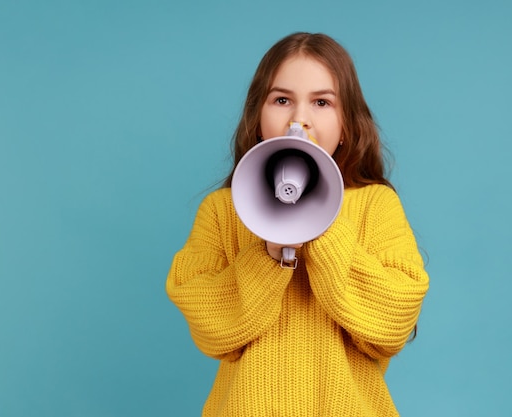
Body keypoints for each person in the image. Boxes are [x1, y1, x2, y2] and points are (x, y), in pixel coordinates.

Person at [166, 32, 429, 416]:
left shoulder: (376, 205)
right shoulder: (223, 211)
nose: (299, 119)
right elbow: (212, 330)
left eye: (322, 102)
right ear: (257, 117)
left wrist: (324, 229)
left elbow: (392, 324)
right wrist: (267, 257)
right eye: (282, 99)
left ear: (347, 125)